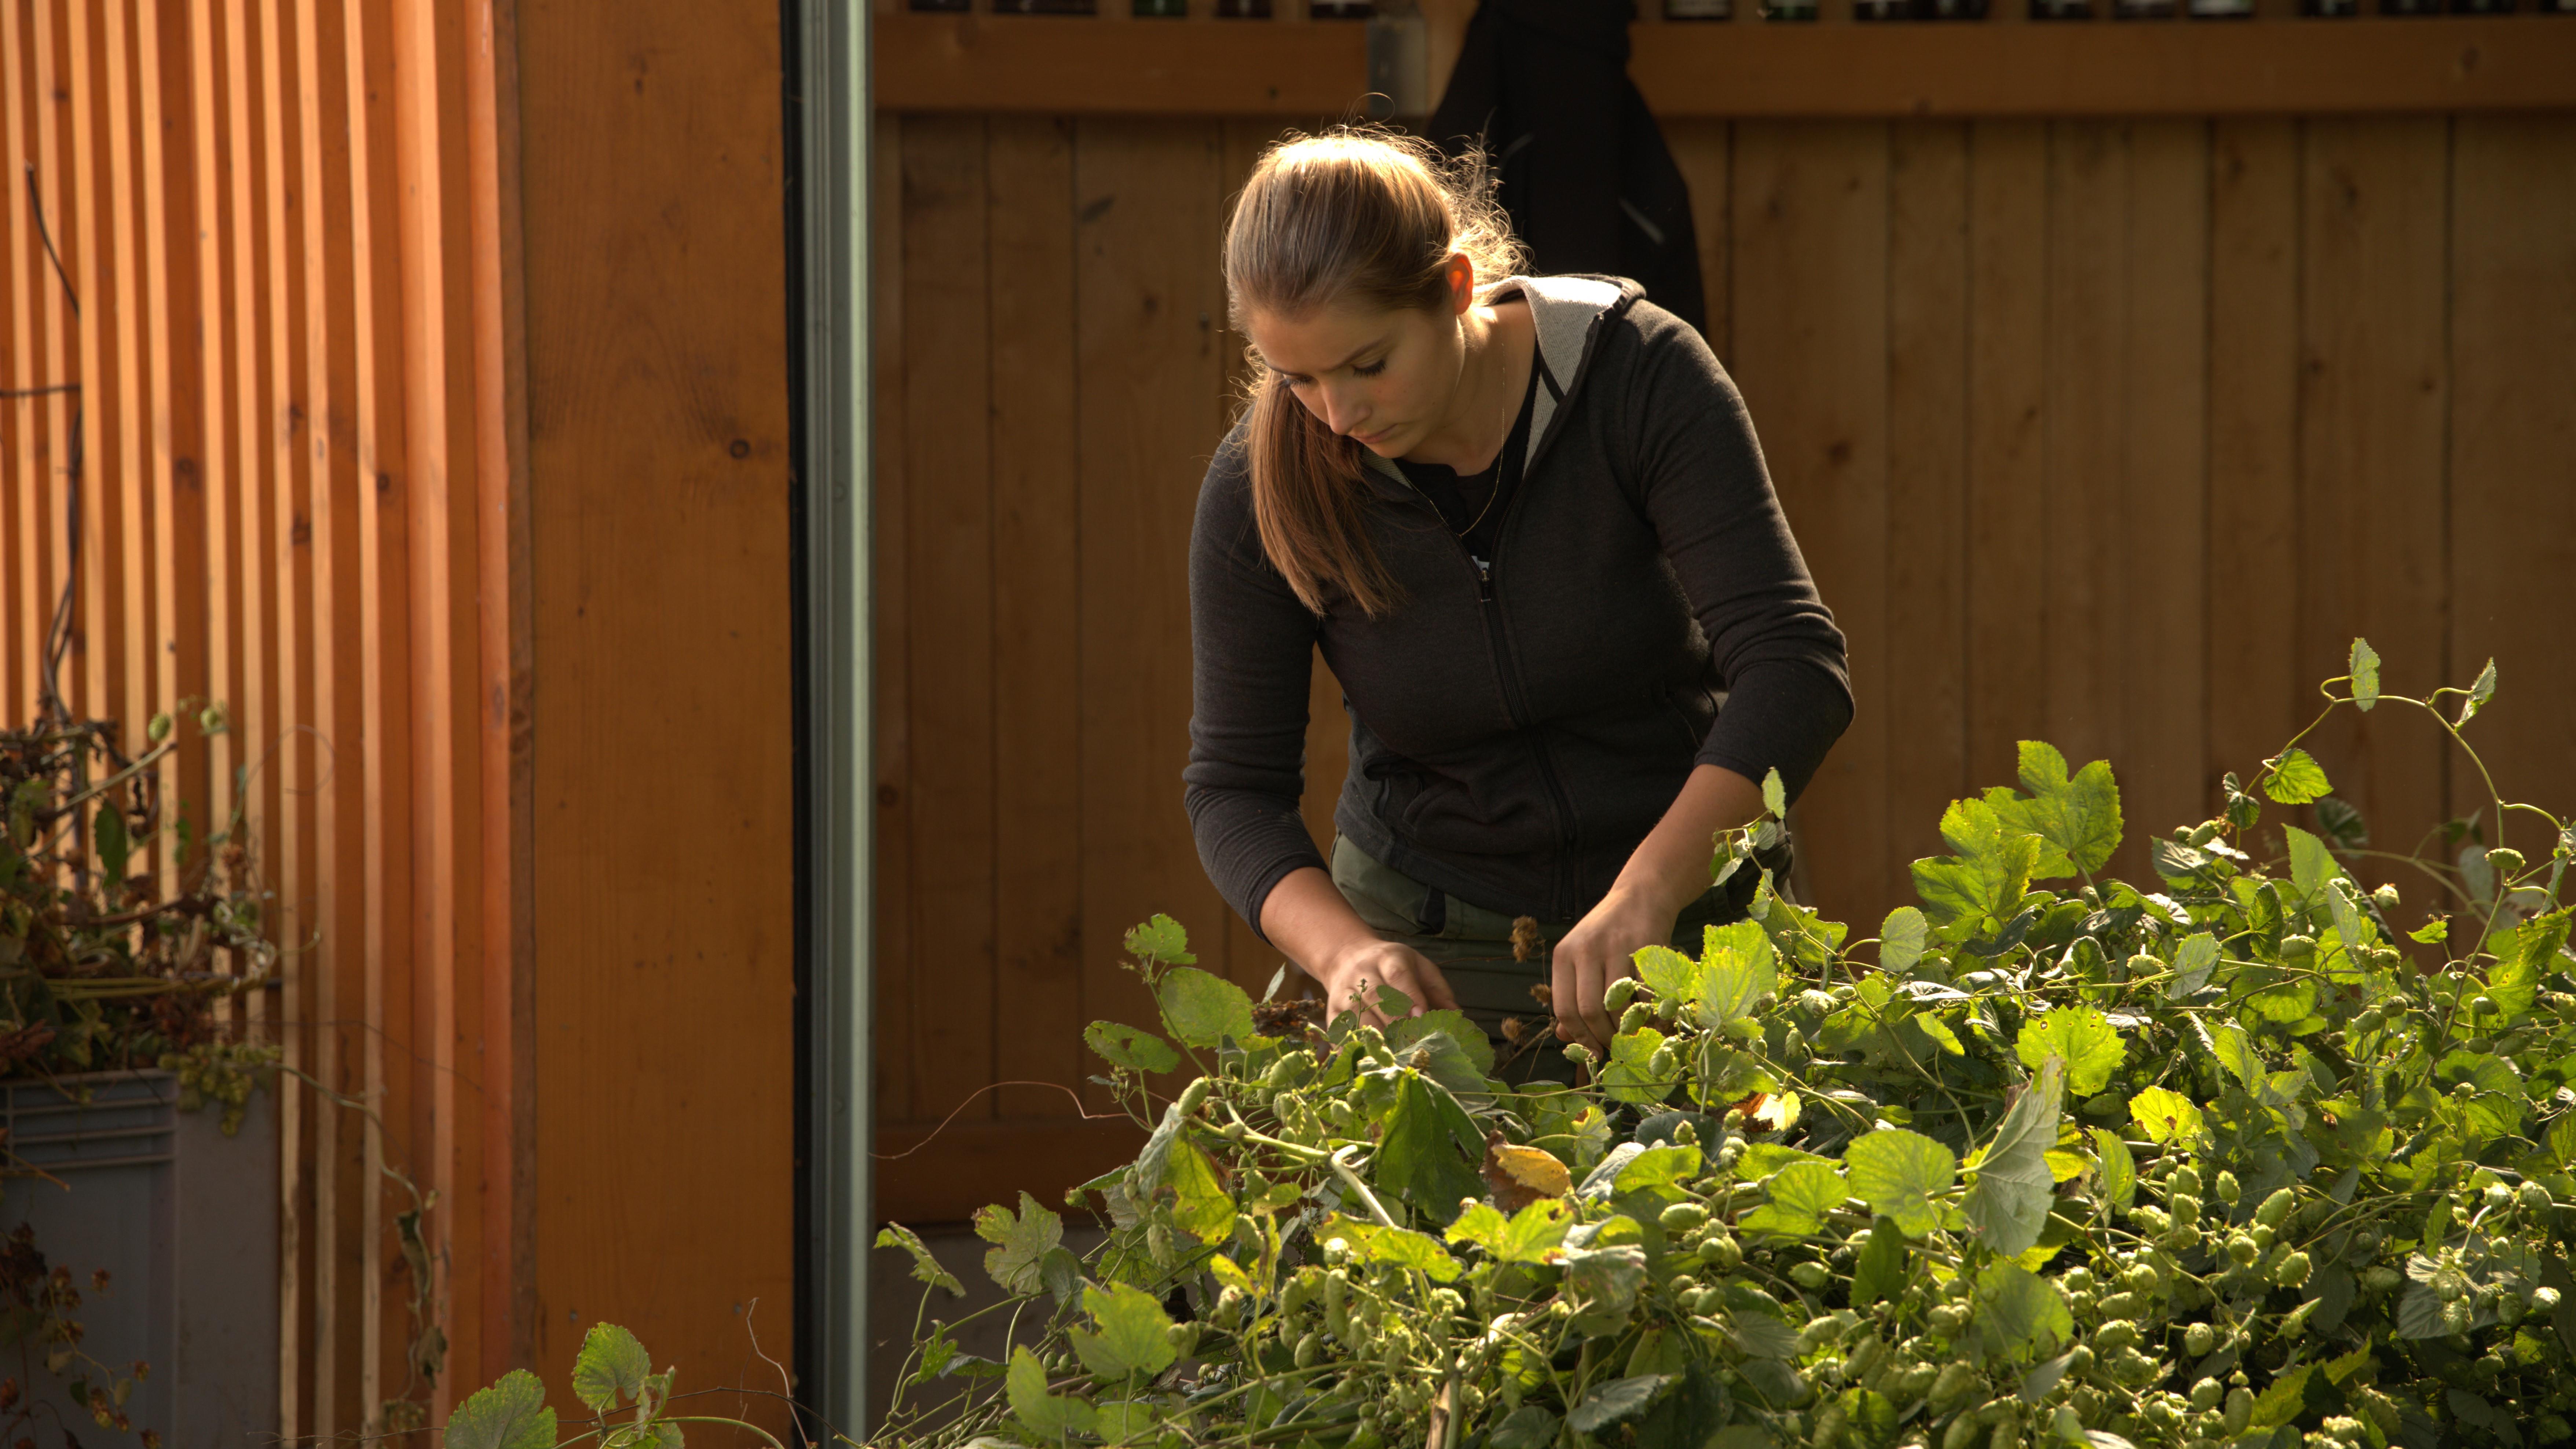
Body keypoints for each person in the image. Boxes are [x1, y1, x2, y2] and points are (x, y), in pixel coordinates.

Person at [1184, 127, 1850, 1074]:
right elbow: (1232, 790)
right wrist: (1345, 956)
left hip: (1693, 926)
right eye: (1298, 379)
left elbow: (1795, 667)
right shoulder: (1258, 485)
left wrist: (1651, 891)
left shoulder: (1641, 378)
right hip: (1431, 965)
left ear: (1455, 289)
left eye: (1369, 364)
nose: (1338, 415)